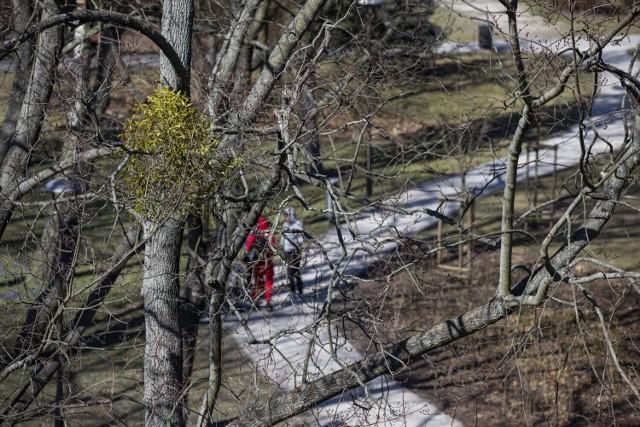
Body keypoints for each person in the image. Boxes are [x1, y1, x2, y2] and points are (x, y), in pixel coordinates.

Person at [244, 217, 275, 310]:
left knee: (257, 283)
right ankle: (268, 302)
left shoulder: (253, 235)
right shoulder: (269, 234)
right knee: (269, 282)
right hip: (268, 262)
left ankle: (255, 302)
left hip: (257, 264)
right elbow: (273, 248)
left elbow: (248, 249)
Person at [280, 207, 305, 302]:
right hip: (287, 253)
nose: (285, 217)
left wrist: (294, 240)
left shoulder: (297, 224)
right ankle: (292, 293)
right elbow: (283, 238)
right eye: (284, 215)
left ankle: (300, 293)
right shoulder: (285, 225)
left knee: (296, 272)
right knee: (289, 274)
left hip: (295, 252)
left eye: (287, 215)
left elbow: (301, 239)